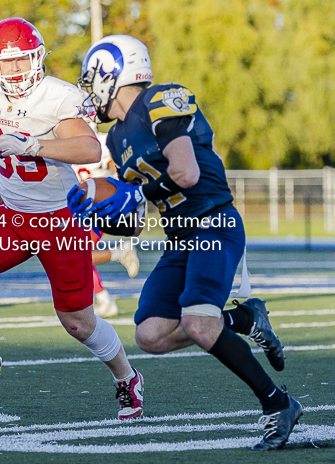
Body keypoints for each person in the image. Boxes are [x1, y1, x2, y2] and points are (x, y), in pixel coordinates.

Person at [70, 35, 300, 450]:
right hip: (179, 237)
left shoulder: (163, 99)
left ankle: (277, 403)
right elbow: (136, 224)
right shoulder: (118, 140)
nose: (90, 89)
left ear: (113, 73)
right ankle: (244, 320)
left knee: (197, 323)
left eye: (93, 78)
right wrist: (98, 213)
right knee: (151, 336)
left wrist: (133, 192)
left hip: (213, 223)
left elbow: (187, 172)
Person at [0, 18, 144, 420]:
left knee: (78, 323)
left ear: (37, 59)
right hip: (12, 215)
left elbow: (88, 148)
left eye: (21, 61)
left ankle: (126, 377)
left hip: (58, 219)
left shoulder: (56, 97)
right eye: (6, 63)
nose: (14, 71)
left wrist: (37, 144)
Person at [72, 125, 140, 318]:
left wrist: (121, 196)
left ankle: (118, 253)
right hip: (80, 209)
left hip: (101, 207)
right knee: (75, 256)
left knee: (76, 255)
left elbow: (123, 171)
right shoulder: (69, 143)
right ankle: (104, 300)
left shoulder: (103, 143)